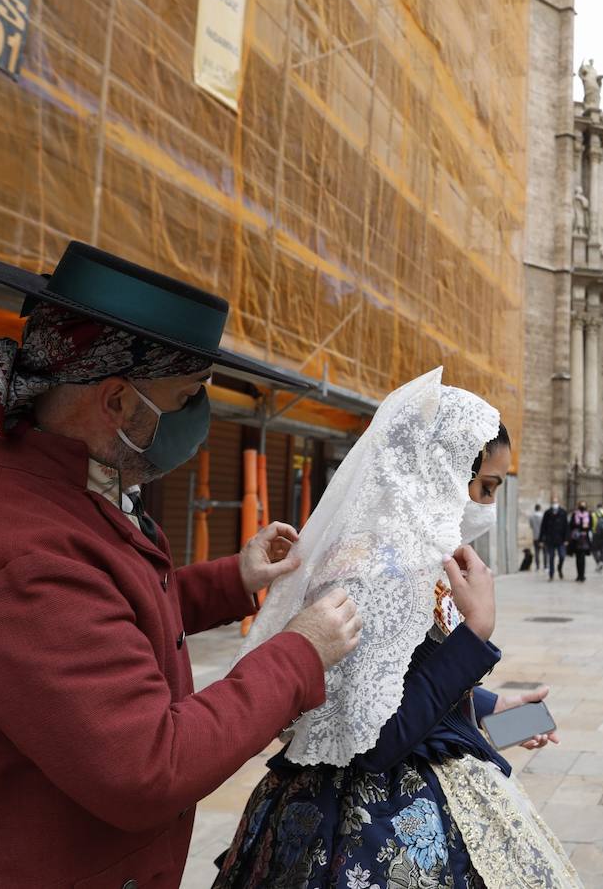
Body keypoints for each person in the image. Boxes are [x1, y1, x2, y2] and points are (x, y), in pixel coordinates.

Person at [0, 241, 363, 886]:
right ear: (118, 403)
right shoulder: (19, 551)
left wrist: (233, 579)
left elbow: (107, 615)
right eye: (186, 397)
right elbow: (151, 765)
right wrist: (298, 654)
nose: (197, 417)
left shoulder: (61, 488)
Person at [215, 369, 579, 888]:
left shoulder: (418, 561)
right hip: (369, 827)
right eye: (486, 487)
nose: (488, 506)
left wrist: (499, 711)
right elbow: (377, 742)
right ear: (442, 471)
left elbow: (408, 685)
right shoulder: (369, 570)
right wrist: (474, 636)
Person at [540, 495, 569, 582]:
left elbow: (566, 527)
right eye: (553, 502)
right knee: (551, 557)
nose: (554, 504)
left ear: (558, 503)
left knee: (562, 556)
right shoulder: (547, 513)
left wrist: (567, 539)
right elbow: (543, 527)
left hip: (561, 539)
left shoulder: (563, 512)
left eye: (556, 502)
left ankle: (559, 568)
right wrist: (541, 539)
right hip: (550, 539)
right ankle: (551, 575)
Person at [569, 500, 592, 582]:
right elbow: (571, 525)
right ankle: (578, 575)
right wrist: (578, 525)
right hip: (576, 538)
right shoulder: (575, 514)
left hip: (584, 538)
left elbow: (590, 526)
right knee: (578, 557)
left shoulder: (588, 515)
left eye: (584, 505)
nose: (582, 507)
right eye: (581, 505)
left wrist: (585, 526)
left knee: (582, 557)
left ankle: (582, 575)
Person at [529, 502, 545, 571]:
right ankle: (545, 566)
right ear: (540, 509)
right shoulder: (543, 517)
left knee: (537, 552)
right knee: (545, 552)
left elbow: (531, 526)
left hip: (535, 536)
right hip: (543, 537)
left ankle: (538, 567)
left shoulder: (531, 517)